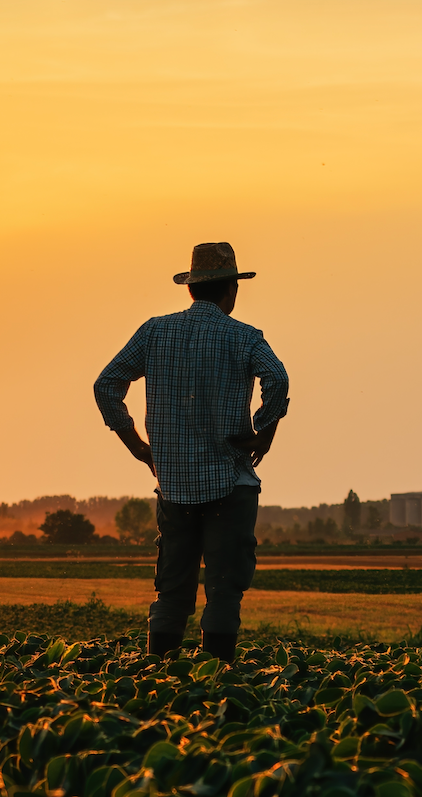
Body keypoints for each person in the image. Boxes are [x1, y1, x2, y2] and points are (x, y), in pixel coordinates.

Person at [93, 241, 289, 662]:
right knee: (223, 587)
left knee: (172, 589)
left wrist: (136, 446)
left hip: (173, 486)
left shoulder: (154, 332)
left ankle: (158, 678)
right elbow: (278, 379)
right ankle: (215, 679)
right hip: (230, 483)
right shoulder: (243, 336)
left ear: (192, 289)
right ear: (230, 291)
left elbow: (106, 385)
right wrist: (264, 432)